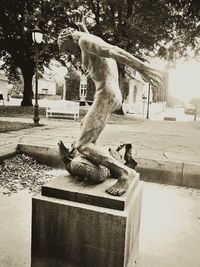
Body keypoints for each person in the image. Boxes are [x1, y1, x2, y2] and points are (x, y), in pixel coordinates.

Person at [58, 15, 161, 196]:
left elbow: (114, 51)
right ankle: (99, 161)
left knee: (82, 145)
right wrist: (82, 26)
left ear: (69, 41)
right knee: (85, 126)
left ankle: (124, 173)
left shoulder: (83, 41)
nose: (71, 54)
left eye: (68, 50)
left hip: (105, 94)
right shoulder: (87, 39)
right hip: (112, 94)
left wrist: (142, 67)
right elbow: (93, 45)